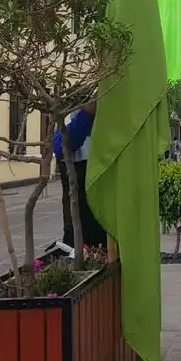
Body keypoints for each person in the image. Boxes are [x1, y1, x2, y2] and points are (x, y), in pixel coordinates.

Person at [52, 100, 108, 249]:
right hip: (77, 227)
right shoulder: (68, 123)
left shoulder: (107, 132)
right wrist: (86, 114)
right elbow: (62, 146)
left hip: (107, 223)